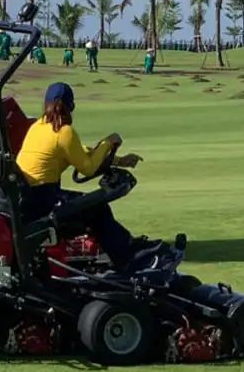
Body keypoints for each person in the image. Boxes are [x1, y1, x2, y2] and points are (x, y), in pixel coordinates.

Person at [16, 82, 165, 272]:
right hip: (43, 203)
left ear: (45, 103)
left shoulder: (38, 127)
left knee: (91, 206)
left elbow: (80, 152)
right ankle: (128, 258)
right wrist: (108, 142)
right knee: (97, 208)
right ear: (71, 106)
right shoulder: (64, 132)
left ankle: (122, 249)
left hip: (29, 200)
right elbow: (88, 168)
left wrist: (119, 160)